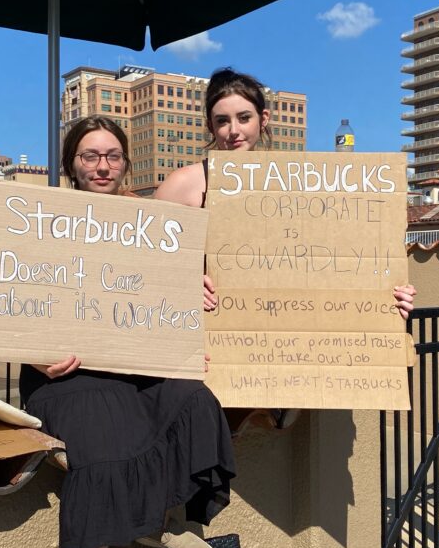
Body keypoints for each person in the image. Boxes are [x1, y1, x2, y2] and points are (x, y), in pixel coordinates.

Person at [22, 116, 236, 548]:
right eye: (90, 156)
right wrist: (35, 353)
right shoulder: (41, 220)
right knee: (108, 436)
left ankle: (171, 521)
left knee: (193, 400)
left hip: (134, 365)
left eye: (113, 156)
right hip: (67, 376)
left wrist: (194, 286)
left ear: (126, 166)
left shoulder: (151, 227)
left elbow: (169, 293)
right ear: (72, 164)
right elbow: (4, 302)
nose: (102, 166)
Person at [155, 67, 417, 431]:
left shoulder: (298, 185)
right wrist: (184, 285)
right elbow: (149, 270)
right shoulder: (182, 185)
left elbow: (336, 265)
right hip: (204, 351)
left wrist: (388, 298)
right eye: (222, 121)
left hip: (277, 360)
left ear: (263, 120)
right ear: (210, 126)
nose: (234, 130)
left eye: (244, 118)